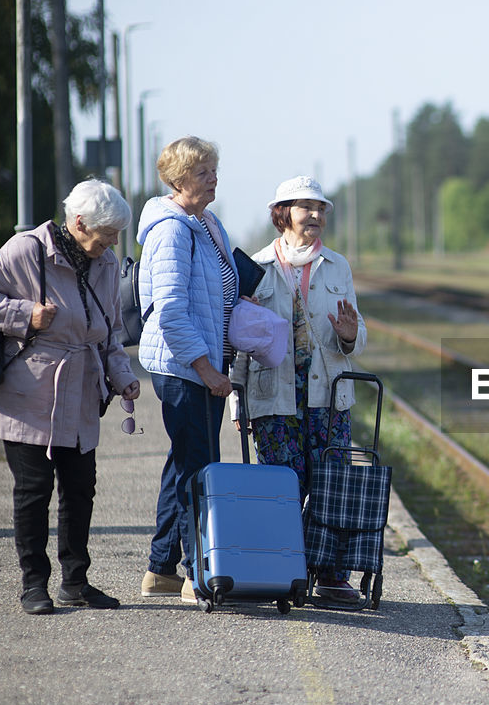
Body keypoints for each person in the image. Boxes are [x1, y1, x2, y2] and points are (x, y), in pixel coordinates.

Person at [0, 180, 140, 614]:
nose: (113, 242)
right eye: (108, 232)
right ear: (78, 223)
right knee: (33, 490)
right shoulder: (27, 250)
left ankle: (76, 581)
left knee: (80, 488)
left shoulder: (106, 262)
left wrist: (123, 375)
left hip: (81, 391)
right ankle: (33, 585)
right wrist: (24, 314)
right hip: (29, 390)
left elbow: (109, 331)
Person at [230, 175, 365, 602]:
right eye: (308, 207)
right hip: (274, 393)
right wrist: (238, 403)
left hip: (329, 393)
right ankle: (285, 569)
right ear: (283, 213)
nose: (316, 216)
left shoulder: (337, 266)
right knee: (282, 483)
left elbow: (358, 334)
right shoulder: (255, 267)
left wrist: (348, 335)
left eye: (321, 208)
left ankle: (331, 574)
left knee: (331, 480)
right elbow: (237, 340)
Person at [137, 136, 241, 603]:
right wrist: (207, 369)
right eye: (203, 173)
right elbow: (171, 312)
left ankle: (161, 570)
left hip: (202, 363)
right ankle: (196, 572)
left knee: (183, 463)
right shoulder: (172, 230)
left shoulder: (206, 221)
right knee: (198, 469)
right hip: (186, 367)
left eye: (214, 170)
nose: (213, 178)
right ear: (178, 181)